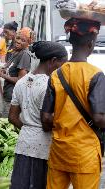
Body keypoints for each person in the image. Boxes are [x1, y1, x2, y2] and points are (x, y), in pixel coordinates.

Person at [41, 18, 105, 189]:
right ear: (91, 44)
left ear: (71, 41)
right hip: (85, 154)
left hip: (59, 152)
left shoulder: (57, 74)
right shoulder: (96, 75)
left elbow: (46, 118)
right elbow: (99, 118)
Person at [9, 41, 68, 189]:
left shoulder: (21, 82)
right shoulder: (49, 85)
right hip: (43, 147)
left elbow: (12, 117)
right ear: (53, 61)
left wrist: (29, 128)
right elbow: (46, 122)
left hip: (24, 143)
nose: (64, 69)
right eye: (63, 64)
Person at [0, 27, 35, 118]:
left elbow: (21, 80)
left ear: (28, 43)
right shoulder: (16, 52)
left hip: (13, 98)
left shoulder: (24, 55)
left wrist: (1, 75)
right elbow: (8, 68)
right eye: (18, 38)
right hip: (7, 94)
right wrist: (1, 70)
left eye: (23, 40)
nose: (18, 41)